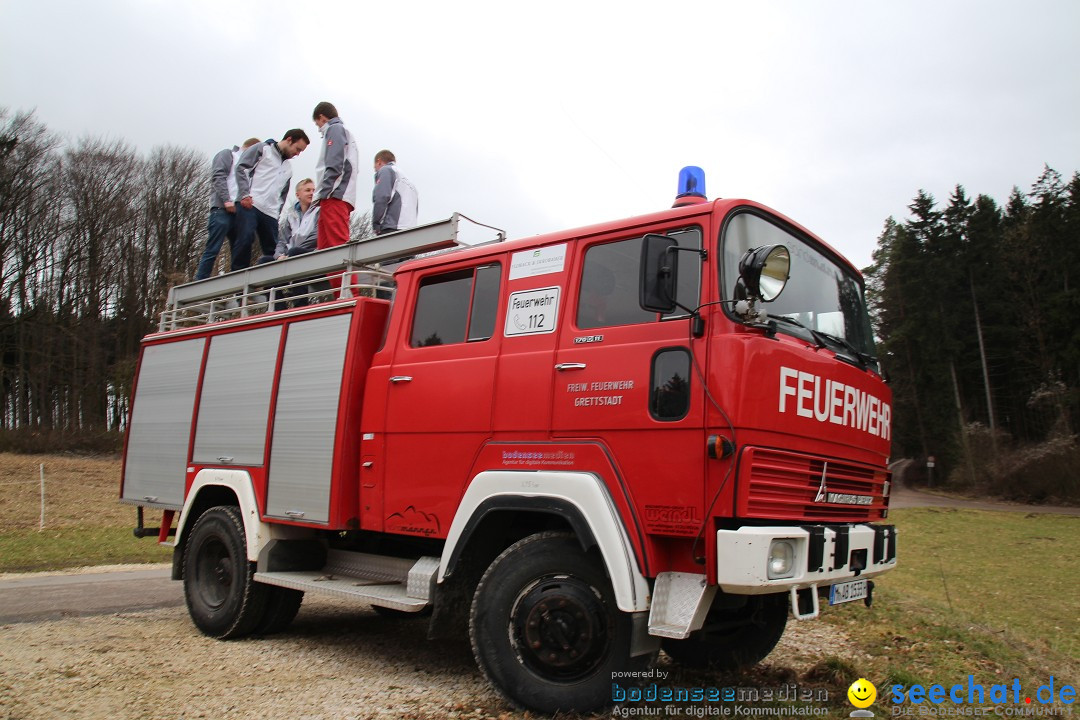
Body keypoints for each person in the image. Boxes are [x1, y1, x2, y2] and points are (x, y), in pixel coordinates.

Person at [232, 130, 310, 271]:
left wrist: (277, 213)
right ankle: (237, 280)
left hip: (270, 213)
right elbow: (241, 168)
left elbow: (283, 194)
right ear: (289, 140)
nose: (297, 154)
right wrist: (244, 194)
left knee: (273, 251)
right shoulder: (262, 149)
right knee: (245, 238)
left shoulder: (288, 168)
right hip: (252, 203)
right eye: (297, 149)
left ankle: (272, 288)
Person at [194, 137, 260, 280]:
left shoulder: (251, 167)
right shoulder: (228, 155)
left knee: (240, 250)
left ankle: (237, 286)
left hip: (240, 212)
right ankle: (200, 281)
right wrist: (226, 200)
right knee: (213, 248)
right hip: (222, 209)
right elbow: (218, 176)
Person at [311, 101, 359, 249]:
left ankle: (345, 273)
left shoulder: (335, 129)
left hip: (334, 195)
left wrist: (325, 192)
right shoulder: (343, 132)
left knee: (337, 247)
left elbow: (335, 164)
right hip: (334, 195)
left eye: (317, 124)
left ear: (321, 117)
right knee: (325, 249)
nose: (319, 129)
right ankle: (333, 273)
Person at [372, 149, 419, 235]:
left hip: (392, 227)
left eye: (375, 168)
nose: (376, 171)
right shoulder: (409, 183)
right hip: (410, 229)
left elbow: (381, 197)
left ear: (378, 161)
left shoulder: (386, 170)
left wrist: (376, 224)